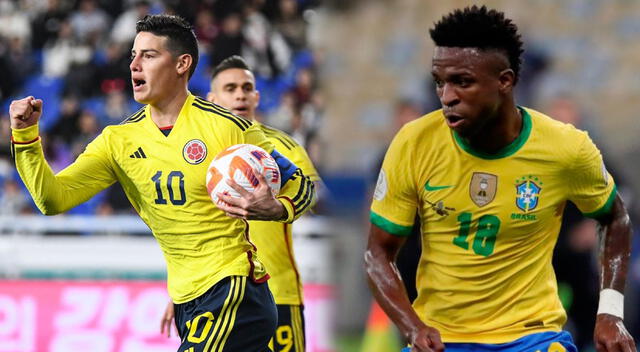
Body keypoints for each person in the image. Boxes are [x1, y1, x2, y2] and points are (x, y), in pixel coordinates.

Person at [9, 14, 315, 352]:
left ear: (182, 64)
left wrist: (278, 207)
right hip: (188, 301)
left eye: (149, 55)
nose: (135, 65)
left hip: (236, 293)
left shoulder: (229, 128)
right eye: (133, 56)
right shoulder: (118, 141)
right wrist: (25, 137)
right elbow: (52, 199)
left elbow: (301, 185)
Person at [364, 6, 636, 352]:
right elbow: (377, 253)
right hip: (443, 339)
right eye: (440, 82)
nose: (447, 97)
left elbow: (616, 219)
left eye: (462, 82)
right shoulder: (413, 143)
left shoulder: (566, 148)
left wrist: (610, 312)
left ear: (505, 81)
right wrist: (413, 327)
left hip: (532, 336)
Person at [160, 55, 320, 352]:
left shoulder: (281, 148)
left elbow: (313, 195)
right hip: (216, 291)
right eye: (230, 88)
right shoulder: (196, 152)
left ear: (257, 96)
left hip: (278, 293)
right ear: (211, 98)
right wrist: (180, 294)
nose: (240, 94)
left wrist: (279, 206)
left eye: (247, 88)